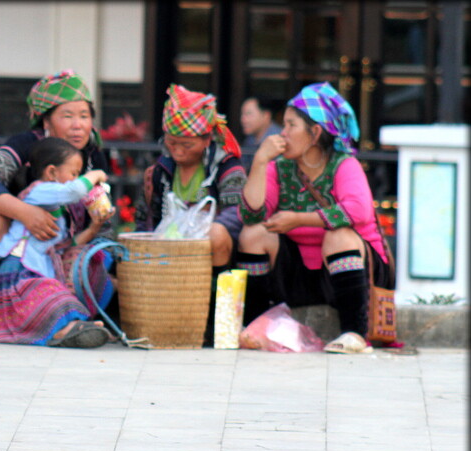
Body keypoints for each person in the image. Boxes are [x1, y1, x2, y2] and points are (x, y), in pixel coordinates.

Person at [0, 69, 111, 339]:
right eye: (67, 116)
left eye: (84, 116)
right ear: (45, 121)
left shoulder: (94, 155)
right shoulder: (25, 145)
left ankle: (69, 321)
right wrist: (26, 213)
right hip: (18, 251)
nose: (78, 125)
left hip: (62, 248)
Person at [236, 81, 393, 354]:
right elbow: (251, 215)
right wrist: (260, 163)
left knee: (339, 234)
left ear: (315, 132)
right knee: (253, 235)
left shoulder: (344, 164)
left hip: (352, 271)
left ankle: (354, 333)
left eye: (290, 125)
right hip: (299, 271)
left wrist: (298, 220)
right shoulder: (279, 167)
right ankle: (255, 325)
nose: (282, 133)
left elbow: (357, 211)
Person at [136, 84, 247, 345]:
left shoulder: (227, 168)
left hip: (210, 251)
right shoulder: (160, 172)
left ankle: (210, 318)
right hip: (168, 254)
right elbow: (145, 218)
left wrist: (201, 228)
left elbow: (237, 212)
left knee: (217, 233)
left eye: (186, 144)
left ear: (207, 140)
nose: (178, 150)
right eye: (172, 143)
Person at [0, 136, 113, 347]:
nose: (78, 179)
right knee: (50, 294)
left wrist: (94, 226)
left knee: (59, 293)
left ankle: (73, 327)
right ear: (51, 173)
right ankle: (63, 332)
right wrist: (96, 174)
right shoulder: (40, 190)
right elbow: (74, 191)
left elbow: (68, 245)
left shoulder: (56, 206)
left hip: (40, 271)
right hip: (21, 270)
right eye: (74, 174)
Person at [240, 95, 282, 173]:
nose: (243, 119)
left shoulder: (279, 138)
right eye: (242, 114)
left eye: (248, 114)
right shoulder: (249, 139)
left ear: (266, 116)